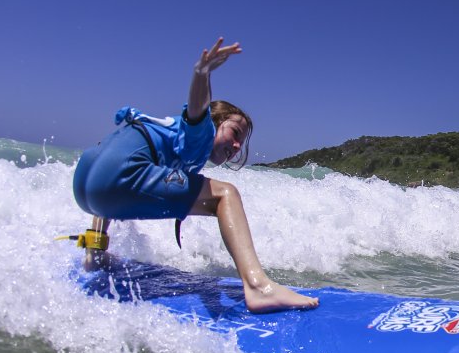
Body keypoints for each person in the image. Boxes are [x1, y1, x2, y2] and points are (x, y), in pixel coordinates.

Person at [72, 38, 319, 314]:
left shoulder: (166, 131)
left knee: (144, 173)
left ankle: (94, 254)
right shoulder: (201, 133)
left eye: (242, 142)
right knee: (226, 195)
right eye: (235, 133)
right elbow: (197, 110)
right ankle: (259, 287)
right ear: (215, 122)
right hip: (116, 177)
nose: (237, 146)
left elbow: (110, 167)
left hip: (86, 185)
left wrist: (96, 250)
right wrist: (202, 73)